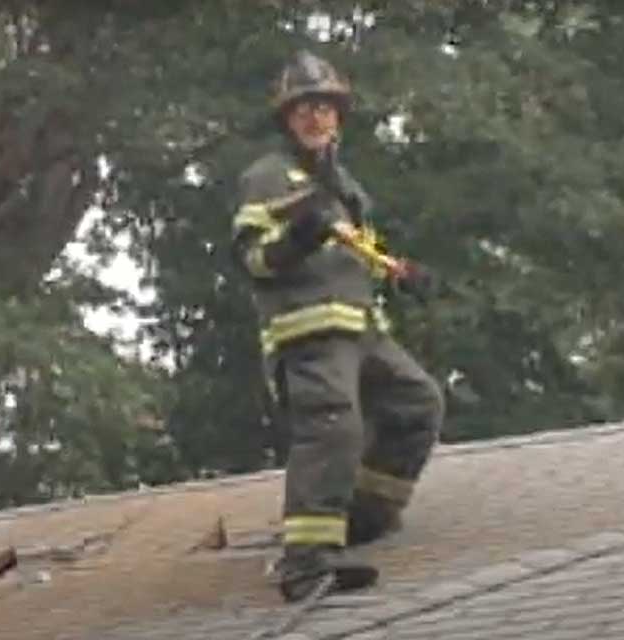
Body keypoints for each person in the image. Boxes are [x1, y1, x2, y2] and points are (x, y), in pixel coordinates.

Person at [230, 49, 445, 602]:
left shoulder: (344, 186)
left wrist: (401, 273)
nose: (315, 117)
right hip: (308, 333)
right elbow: (252, 259)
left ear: (339, 117)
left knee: (417, 404)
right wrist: (298, 237)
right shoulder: (268, 177)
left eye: (324, 107)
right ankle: (306, 562)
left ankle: (361, 519)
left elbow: (357, 252)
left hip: (362, 328)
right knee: (333, 428)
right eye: (303, 108)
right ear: (286, 118)